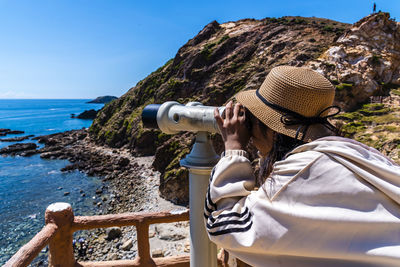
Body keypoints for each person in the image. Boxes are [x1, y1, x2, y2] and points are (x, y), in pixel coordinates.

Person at [205, 66, 400, 267]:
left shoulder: (302, 172)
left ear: (273, 129)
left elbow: (224, 226)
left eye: (254, 120)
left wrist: (233, 150)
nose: (252, 136)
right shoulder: (363, 156)